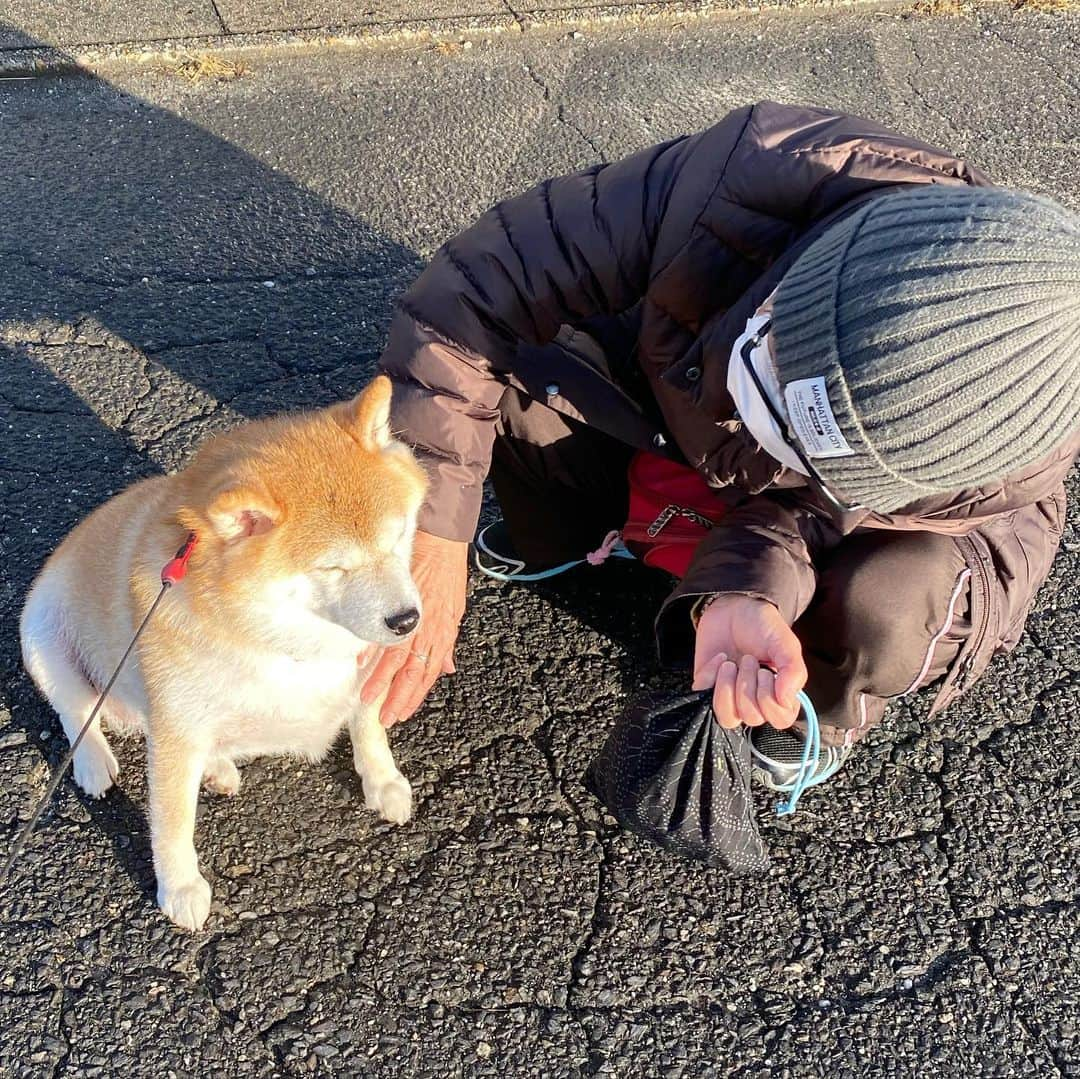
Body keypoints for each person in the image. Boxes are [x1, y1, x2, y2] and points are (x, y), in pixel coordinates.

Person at [360, 100, 1080, 797]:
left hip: (836, 513)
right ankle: (575, 535)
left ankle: (821, 711)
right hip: (692, 412)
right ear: (816, 266)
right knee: (507, 369)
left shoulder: (997, 464)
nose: (752, 405)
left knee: (891, 602)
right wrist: (429, 526)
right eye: (770, 351)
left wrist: (751, 589)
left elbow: (814, 510)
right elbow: (480, 284)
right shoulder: (748, 174)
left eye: (798, 432)